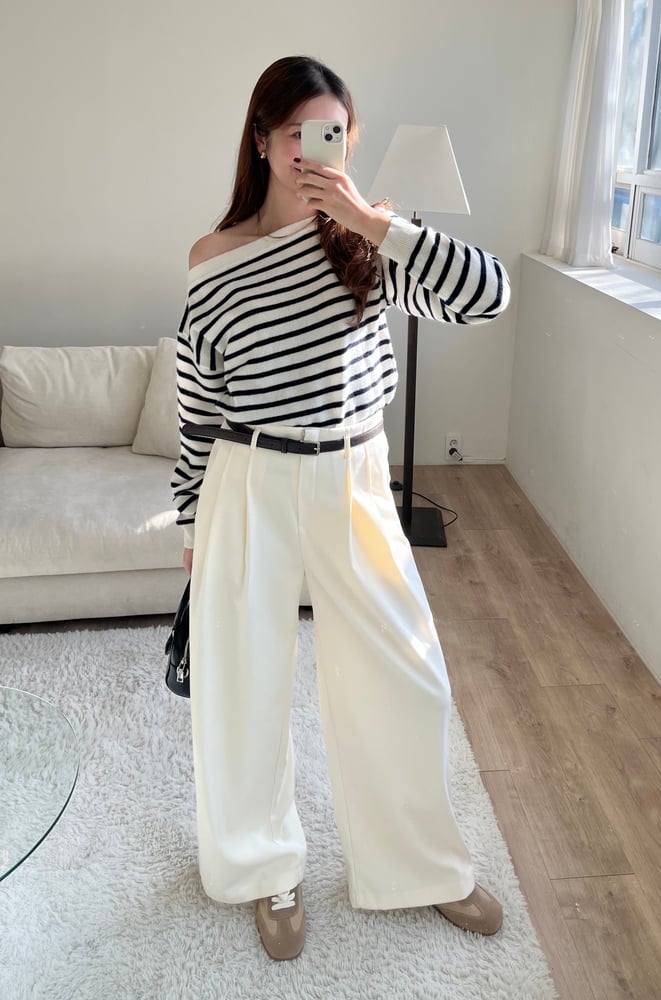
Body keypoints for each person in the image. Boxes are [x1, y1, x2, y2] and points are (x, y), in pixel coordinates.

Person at [171, 55, 510, 962]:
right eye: (294, 133)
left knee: (405, 674)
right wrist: (192, 522)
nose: (309, 151)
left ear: (347, 142)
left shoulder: (371, 241)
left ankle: (421, 866)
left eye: (329, 134)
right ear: (260, 140)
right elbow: (198, 405)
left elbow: (490, 297)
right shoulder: (213, 259)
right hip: (249, 479)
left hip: (353, 476)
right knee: (244, 685)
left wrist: (372, 221)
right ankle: (264, 868)